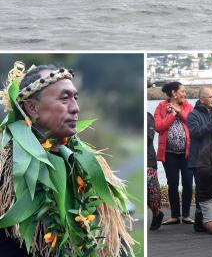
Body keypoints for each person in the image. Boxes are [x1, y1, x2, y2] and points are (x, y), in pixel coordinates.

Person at [0, 62, 133, 257]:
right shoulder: (6, 172)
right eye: (64, 99)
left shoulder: (88, 165)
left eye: (75, 98)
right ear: (32, 108)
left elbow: (109, 239)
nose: (75, 108)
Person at [154, 81, 194, 225]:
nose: (185, 93)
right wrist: (171, 114)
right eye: (182, 91)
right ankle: (175, 215)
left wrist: (179, 111)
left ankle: (187, 215)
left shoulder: (188, 106)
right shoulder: (161, 107)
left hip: (187, 153)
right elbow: (158, 127)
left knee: (188, 183)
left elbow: (191, 121)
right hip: (169, 154)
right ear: (174, 93)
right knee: (173, 184)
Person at [188, 87, 212, 230]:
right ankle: (200, 222)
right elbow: (195, 133)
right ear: (201, 99)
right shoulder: (193, 115)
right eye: (210, 97)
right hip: (199, 160)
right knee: (201, 191)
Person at [148, 111, 164, 231]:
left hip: (148, 161)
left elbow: (149, 137)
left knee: (152, 195)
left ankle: (157, 214)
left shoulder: (147, 117)